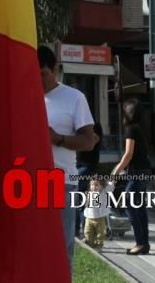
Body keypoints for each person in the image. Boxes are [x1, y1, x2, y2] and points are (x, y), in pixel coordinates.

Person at [38, 46, 98, 273]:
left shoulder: (74, 98)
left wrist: (58, 138)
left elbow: (89, 141)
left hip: (62, 182)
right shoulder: (22, 95)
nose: (39, 81)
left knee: (61, 248)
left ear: (55, 69)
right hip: (24, 182)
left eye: (43, 74)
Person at [110, 98, 151, 255]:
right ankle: (143, 243)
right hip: (144, 170)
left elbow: (128, 154)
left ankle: (141, 242)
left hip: (138, 172)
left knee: (129, 202)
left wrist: (116, 172)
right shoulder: (139, 128)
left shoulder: (131, 129)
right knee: (139, 207)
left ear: (128, 113)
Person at [75, 119, 102, 237]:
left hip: (88, 165)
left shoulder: (94, 125)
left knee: (78, 197)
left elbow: (93, 140)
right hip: (78, 164)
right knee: (77, 198)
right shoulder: (79, 125)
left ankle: (84, 230)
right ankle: (80, 229)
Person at [83, 178, 114, 251]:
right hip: (89, 218)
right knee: (88, 232)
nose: (94, 187)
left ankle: (99, 246)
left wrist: (108, 181)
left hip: (100, 218)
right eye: (92, 185)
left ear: (102, 186)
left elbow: (110, 187)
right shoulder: (88, 193)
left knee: (100, 234)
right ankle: (89, 243)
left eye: (96, 185)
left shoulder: (103, 192)